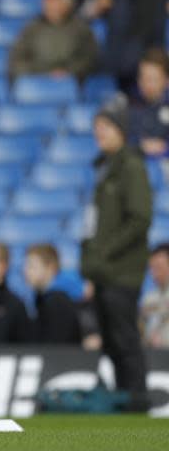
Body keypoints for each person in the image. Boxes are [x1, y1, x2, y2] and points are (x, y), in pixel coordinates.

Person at [81, 97, 153, 411]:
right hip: (104, 272)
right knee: (111, 341)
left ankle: (137, 400)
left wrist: (105, 253)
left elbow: (140, 217)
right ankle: (123, 399)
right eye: (96, 127)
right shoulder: (103, 168)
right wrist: (92, 263)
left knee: (125, 339)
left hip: (122, 272)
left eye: (105, 127)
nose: (99, 133)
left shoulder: (131, 167)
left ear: (121, 130)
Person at [8, 0, 99, 83]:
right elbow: (16, 61)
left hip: (72, 84)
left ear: (67, 4)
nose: (48, 4)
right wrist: (43, 73)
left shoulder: (81, 29)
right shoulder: (31, 28)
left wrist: (68, 72)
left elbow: (90, 59)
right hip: (36, 86)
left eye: (54, 0)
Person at [24, 244, 83, 344]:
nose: (25, 271)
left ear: (50, 268)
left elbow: (56, 346)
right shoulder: (42, 299)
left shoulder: (58, 302)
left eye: (31, 266)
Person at [128, 48, 169, 158]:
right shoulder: (129, 105)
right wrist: (140, 147)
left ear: (166, 80)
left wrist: (164, 148)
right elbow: (120, 145)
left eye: (153, 79)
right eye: (143, 78)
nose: (147, 84)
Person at [141, 244, 169, 348]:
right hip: (153, 356)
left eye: (159, 267)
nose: (154, 273)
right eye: (152, 268)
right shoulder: (148, 299)